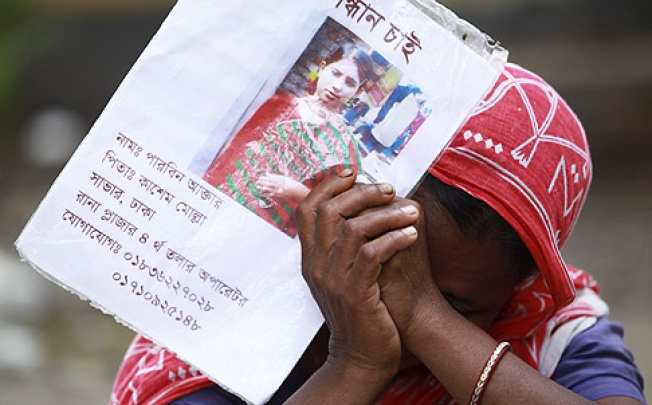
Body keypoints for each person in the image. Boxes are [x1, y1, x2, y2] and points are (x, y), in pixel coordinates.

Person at [110, 63, 646, 404]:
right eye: (380, 264)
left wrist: (425, 318)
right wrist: (355, 366)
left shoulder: (545, 333)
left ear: (518, 289)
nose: (391, 308)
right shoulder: (220, 327)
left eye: (457, 308)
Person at [201, 46, 371, 237]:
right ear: (322, 67)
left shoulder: (344, 147)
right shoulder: (279, 105)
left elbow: (337, 209)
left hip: (263, 232)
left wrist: (295, 189)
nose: (337, 86)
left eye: (349, 83)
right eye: (335, 73)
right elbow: (231, 154)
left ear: (357, 92)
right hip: (221, 201)